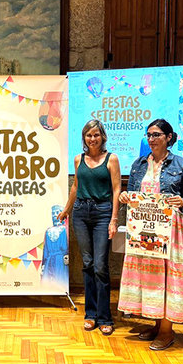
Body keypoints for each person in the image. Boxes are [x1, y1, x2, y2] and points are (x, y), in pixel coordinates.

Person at [117, 118, 183, 350]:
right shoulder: (138, 164)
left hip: (172, 232)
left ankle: (167, 331)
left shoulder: (182, 164)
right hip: (145, 230)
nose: (152, 139)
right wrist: (125, 197)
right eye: (149, 135)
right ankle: (156, 324)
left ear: (169, 138)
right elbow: (132, 194)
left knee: (169, 278)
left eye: (156, 135)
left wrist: (182, 200)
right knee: (151, 278)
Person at [59, 120, 121, 335]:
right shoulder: (79, 159)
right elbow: (76, 186)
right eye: (88, 135)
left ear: (102, 136)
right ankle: (91, 314)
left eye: (96, 135)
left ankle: (105, 316)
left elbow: (116, 190)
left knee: (100, 266)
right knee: (87, 264)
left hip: (103, 213)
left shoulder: (111, 159)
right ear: (84, 138)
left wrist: (114, 219)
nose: (92, 139)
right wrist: (67, 209)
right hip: (81, 214)